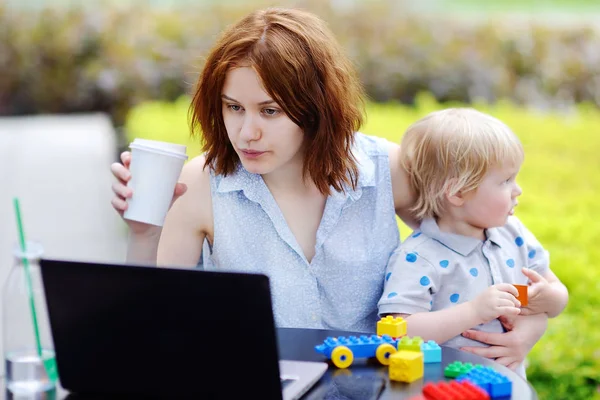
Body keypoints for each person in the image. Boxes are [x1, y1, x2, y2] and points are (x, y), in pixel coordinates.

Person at [110, 7, 549, 359]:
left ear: (316, 107)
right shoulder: (202, 184)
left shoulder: (385, 170)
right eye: (232, 107)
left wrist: (529, 328)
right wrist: (145, 234)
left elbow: (495, 245)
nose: (246, 133)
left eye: (270, 111)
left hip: (376, 387)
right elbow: (153, 322)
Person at [378, 108, 569, 375]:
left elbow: (555, 297)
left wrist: (547, 299)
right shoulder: (419, 257)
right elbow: (399, 333)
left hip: (505, 383)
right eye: (505, 181)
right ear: (458, 193)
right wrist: (474, 311)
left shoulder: (512, 235)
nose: (518, 190)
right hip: (443, 387)